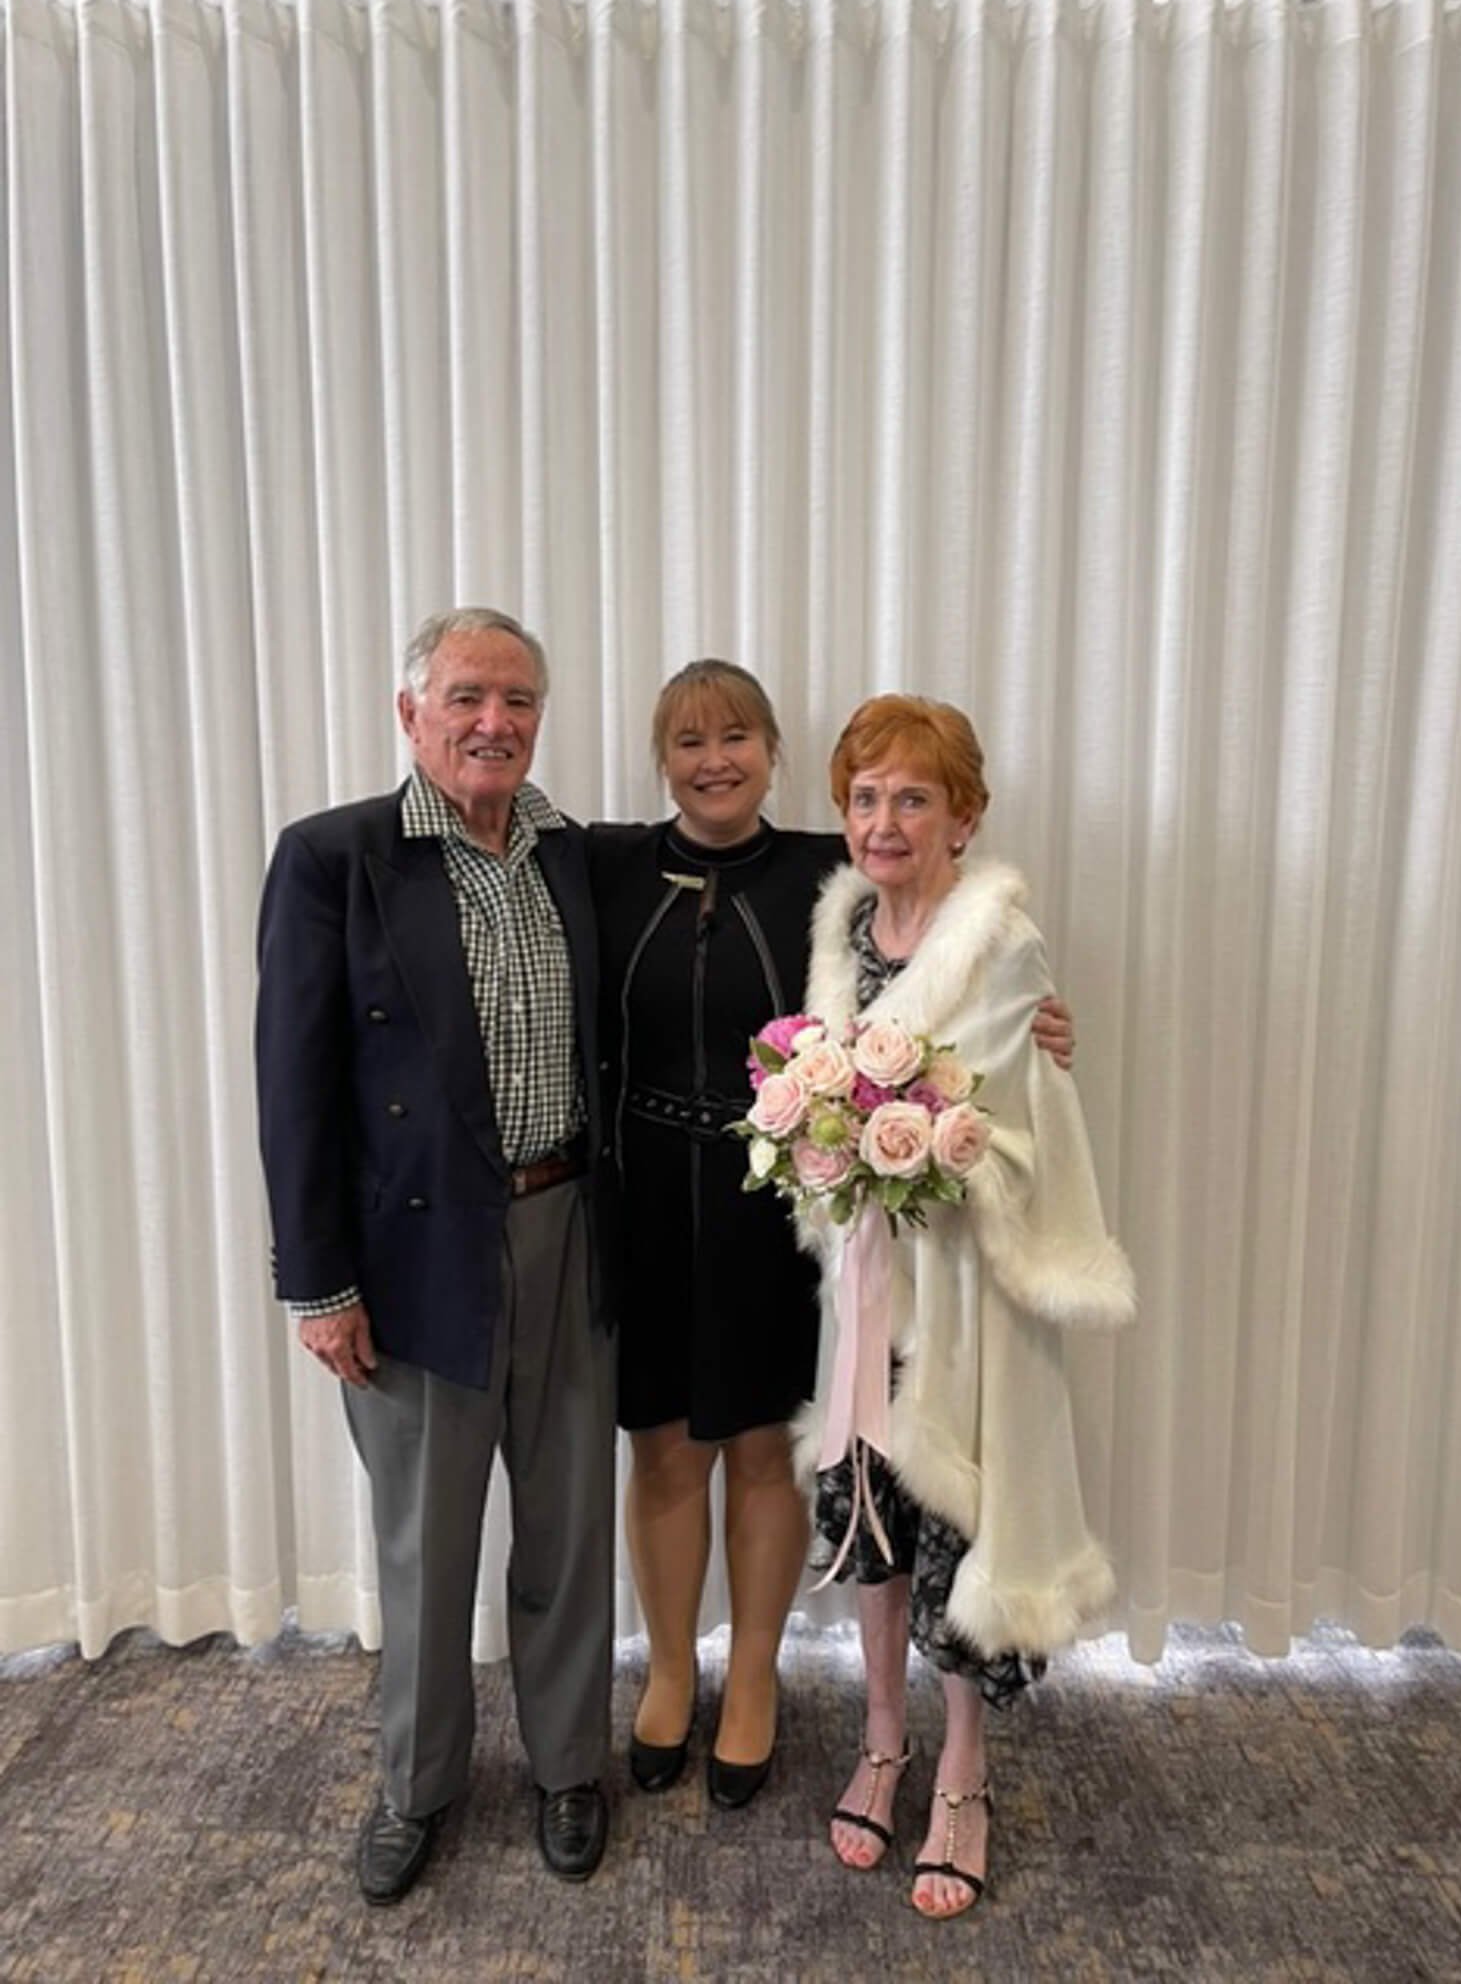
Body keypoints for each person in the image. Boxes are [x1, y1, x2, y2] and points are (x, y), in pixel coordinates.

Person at [586, 663, 1076, 1810]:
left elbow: (946, 919)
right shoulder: (606, 863)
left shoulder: (829, 873)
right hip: (646, 1187)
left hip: (784, 1197)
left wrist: (1041, 1017)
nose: (714, 759)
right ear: (661, 758)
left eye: (737, 736)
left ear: (773, 752)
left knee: (766, 1442)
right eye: (689, 740)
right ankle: (671, 1669)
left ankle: (754, 1674)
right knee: (663, 1443)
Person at [255, 608, 615, 1902]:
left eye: (518, 700)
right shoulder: (334, 859)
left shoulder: (577, 855)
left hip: (571, 1229)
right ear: (411, 714)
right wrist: (319, 1285)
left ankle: (570, 1765)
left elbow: (746, 863)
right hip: (415, 1257)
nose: (494, 722)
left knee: (569, 1526)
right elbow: (294, 1087)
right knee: (425, 1541)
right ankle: (417, 1785)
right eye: (466, 696)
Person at [794, 695, 1134, 1919]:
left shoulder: (1004, 944)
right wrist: (821, 1135)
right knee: (873, 1521)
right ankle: (882, 1740)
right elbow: (825, 1079)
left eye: (914, 797)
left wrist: (928, 1142)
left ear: (965, 815)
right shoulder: (843, 932)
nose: (885, 820)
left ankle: (963, 1775)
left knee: (959, 1530)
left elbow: (1019, 1121)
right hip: (869, 1290)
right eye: (865, 796)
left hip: (967, 1300)